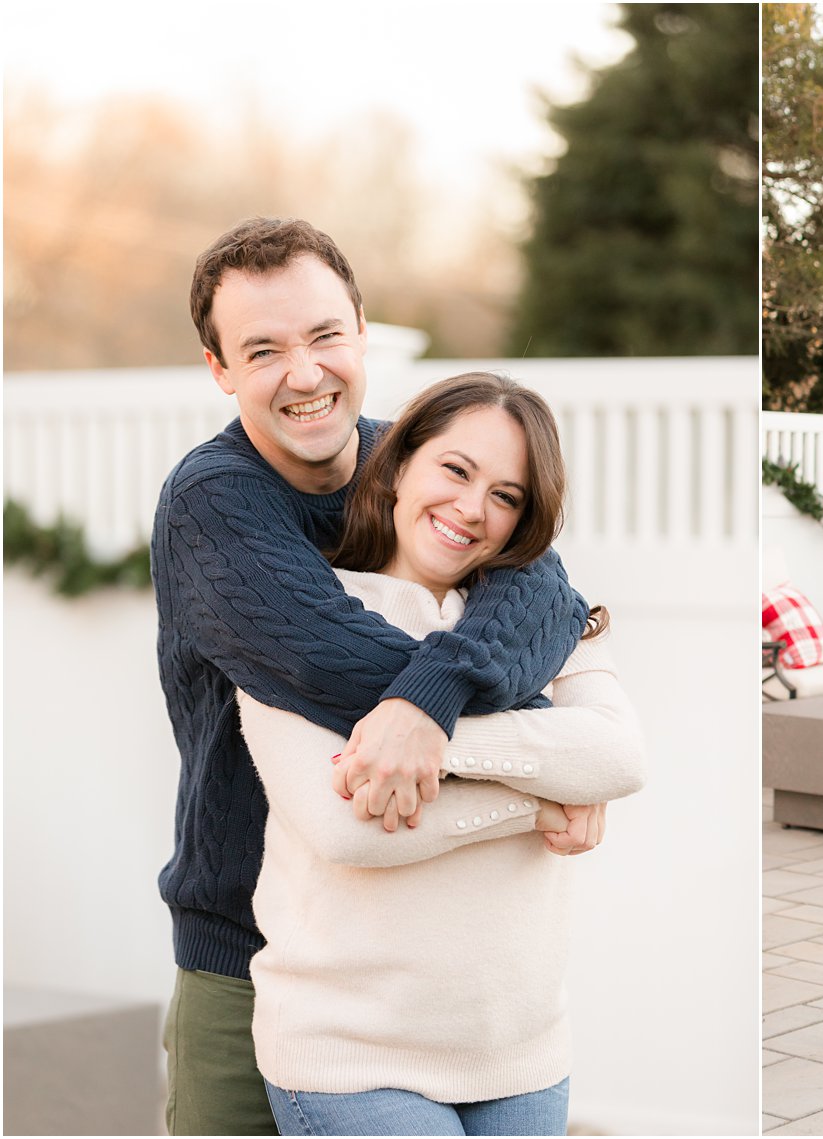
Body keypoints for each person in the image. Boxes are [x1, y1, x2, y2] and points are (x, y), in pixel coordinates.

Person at [154, 218, 591, 1135]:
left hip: (428, 977)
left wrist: (432, 700)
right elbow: (327, 657)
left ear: (361, 331)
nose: (304, 373)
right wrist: (543, 768)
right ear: (219, 369)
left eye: (323, 336)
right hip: (250, 957)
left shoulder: (420, 466)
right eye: (263, 349)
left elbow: (547, 595)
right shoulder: (214, 506)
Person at [244, 372, 645, 1134]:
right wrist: (544, 794)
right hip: (351, 1057)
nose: (472, 508)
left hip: (521, 1054)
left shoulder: (548, 620)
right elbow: (347, 830)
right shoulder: (297, 617)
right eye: (456, 471)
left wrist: (429, 735)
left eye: (507, 495)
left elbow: (618, 755)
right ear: (396, 467)